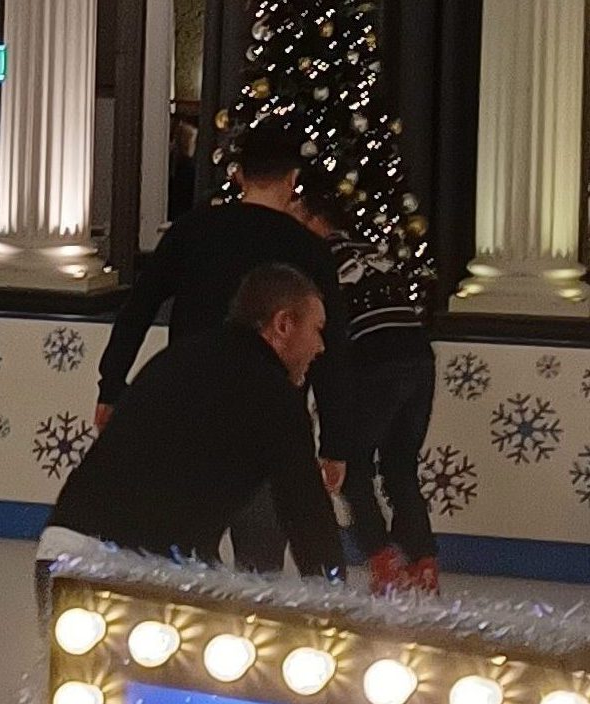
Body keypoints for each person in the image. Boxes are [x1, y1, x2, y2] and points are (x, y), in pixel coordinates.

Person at [95, 126, 353, 573]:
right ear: (292, 180)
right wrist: (336, 440)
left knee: (179, 549)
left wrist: (112, 387)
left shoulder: (193, 230)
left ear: (238, 176)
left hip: (190, 411)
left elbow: (137, 309)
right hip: (268, 416)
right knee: (260, 560)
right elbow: (331, 348)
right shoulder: (308, 250)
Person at [36, 264, 344, 616]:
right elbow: (305, 511)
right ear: (284, 324)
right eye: (317, 330)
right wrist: (337, 604)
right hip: (142, 576)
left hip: (65, 552)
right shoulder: (276, 397)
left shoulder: (175, 358)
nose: (320, 346)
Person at [290, 177, 439, 595]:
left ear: (316, 220)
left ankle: (382, 562)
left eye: (298, 214)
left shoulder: (314, 259)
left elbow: (327, 332)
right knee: (400, 467)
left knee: (352, 467)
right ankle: (424, 564)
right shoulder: (375, 253)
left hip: (375, 361)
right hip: (418, 359)